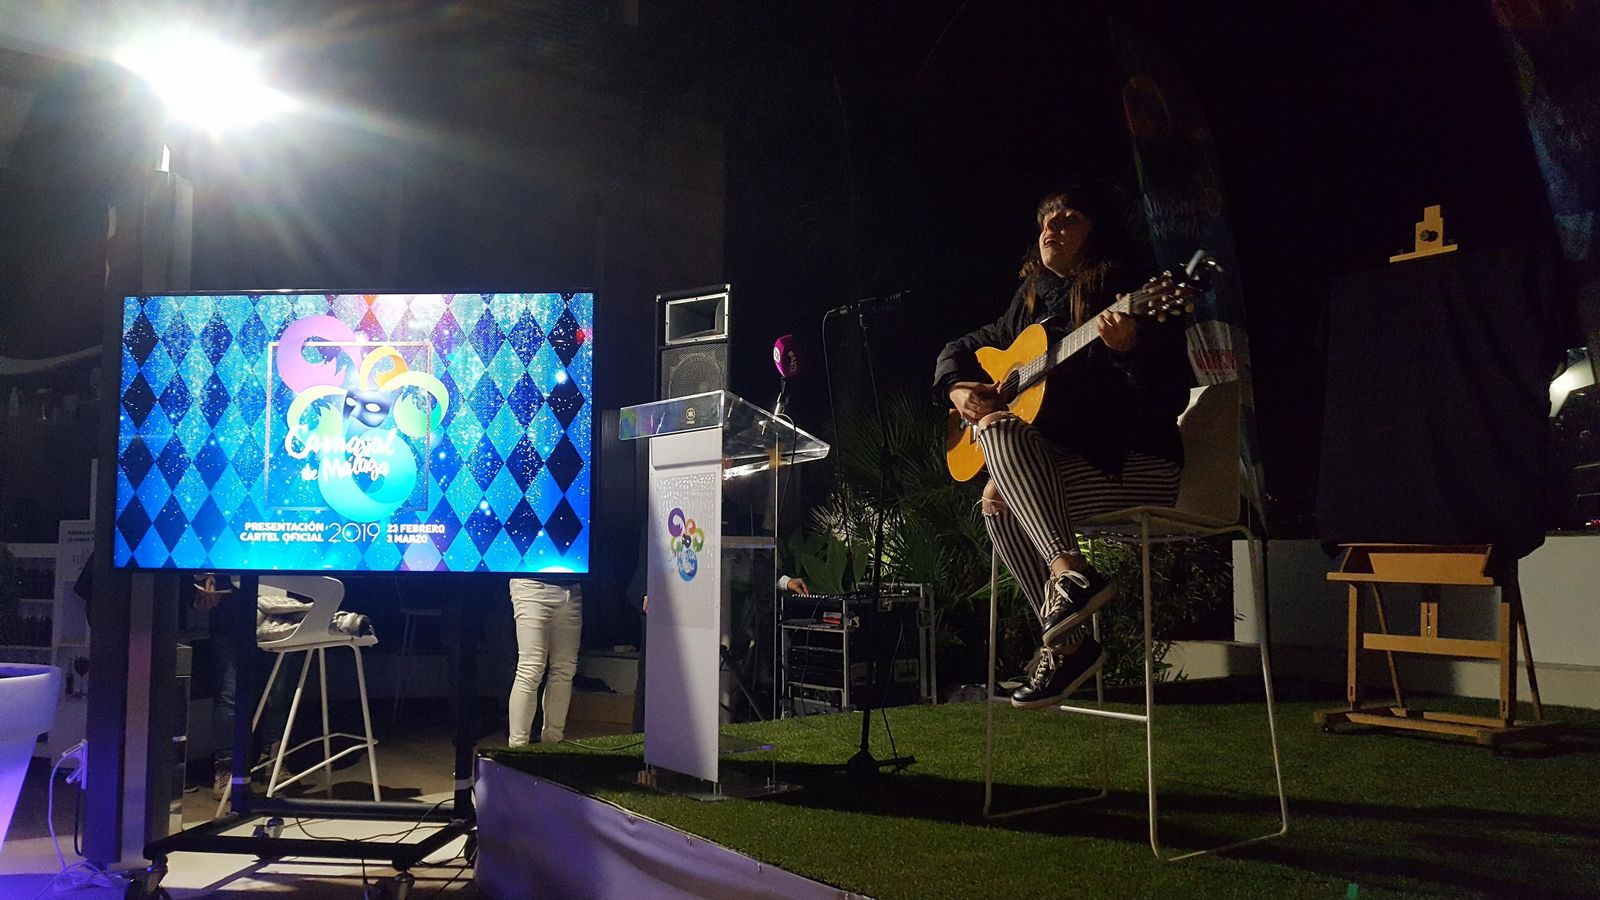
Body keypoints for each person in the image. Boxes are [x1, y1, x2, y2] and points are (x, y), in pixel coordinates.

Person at [933, 187, 1192, 708]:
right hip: (1075, 469)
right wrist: (957, 387)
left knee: (1000, 442)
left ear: (1096, 234)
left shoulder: (1131, 293)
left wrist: (1128, 353)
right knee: (997, 504)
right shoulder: (1029, 301)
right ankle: (1070, 644)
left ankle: (1067, 572)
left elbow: (1167, 397)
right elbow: (958, 348)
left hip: (1140, 464)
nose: (1051, 226)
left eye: (1069, 218)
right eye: (1045, 219)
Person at [506, 578, 583, 746]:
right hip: (531, 585)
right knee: (530, 668)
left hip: (571, 587)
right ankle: (518, 748)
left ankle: (553, 743)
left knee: (565, 669)